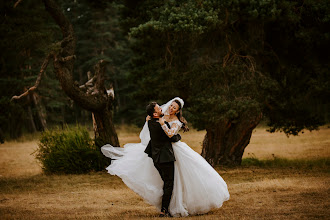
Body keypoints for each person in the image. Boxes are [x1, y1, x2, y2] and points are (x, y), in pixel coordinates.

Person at [101, 97, 229, 217]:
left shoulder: (175, 122)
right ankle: (166, 206)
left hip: (172, 152)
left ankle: (170, 206)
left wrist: (170, 130)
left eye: (174, 108)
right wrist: (161, 124)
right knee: (168, 181)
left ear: (178, 111)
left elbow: (171, 133)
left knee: (178, 179)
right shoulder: (160, 117)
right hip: (162, 152)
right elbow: (163, 131)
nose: (171, 108)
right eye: (171, 106)